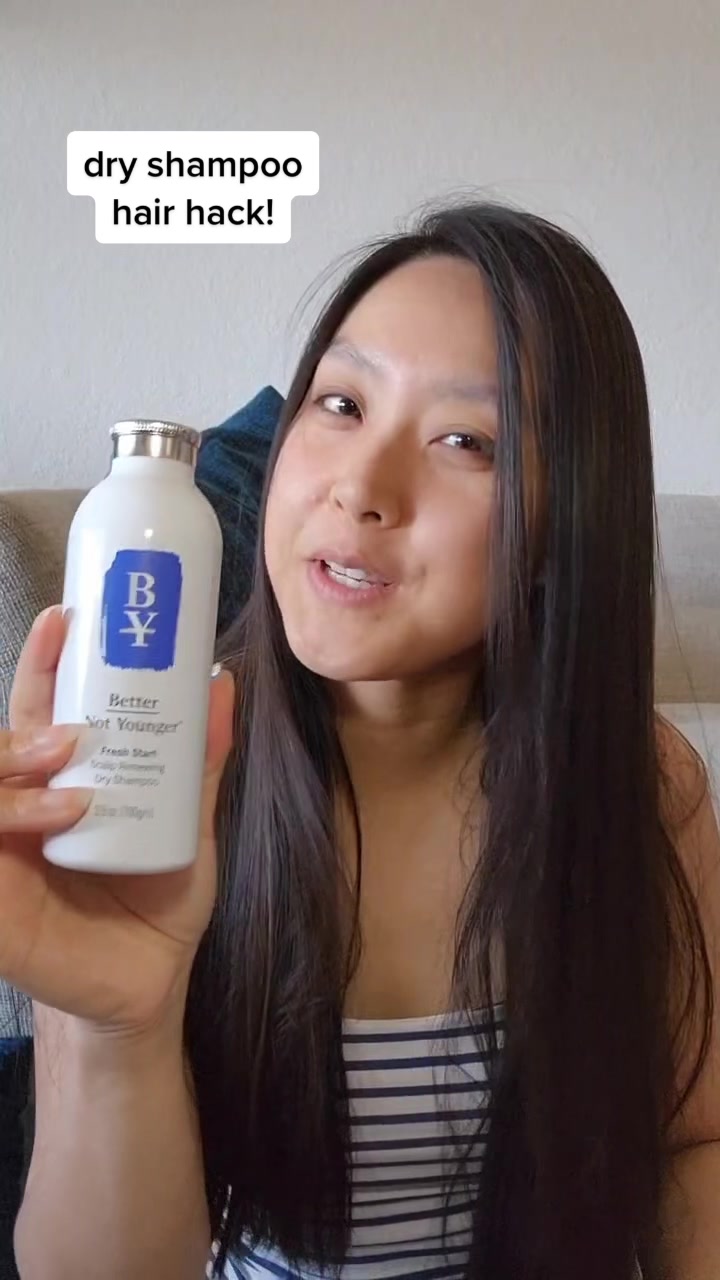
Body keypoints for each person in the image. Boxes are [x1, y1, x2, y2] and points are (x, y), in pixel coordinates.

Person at [1, 201, 719, 1280]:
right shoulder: (154, 790)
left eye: (466, 442)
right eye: (340, 403)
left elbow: (693, 1147)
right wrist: (116, 1034)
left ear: (561, 520)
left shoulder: (641, 783)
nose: (361, 489)